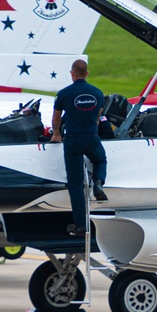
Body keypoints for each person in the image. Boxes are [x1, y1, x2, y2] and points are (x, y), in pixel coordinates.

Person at [51, 59, 107, 234]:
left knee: (75, 184)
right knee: (100, 159)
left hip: (72, 140)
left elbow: (56, 118)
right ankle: (98, 183)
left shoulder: (64, 93)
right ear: (87, 73)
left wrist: (56, 134)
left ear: (72, 74)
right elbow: (98, 117)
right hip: (91, 137)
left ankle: (81, 225)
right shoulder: (97, 93)